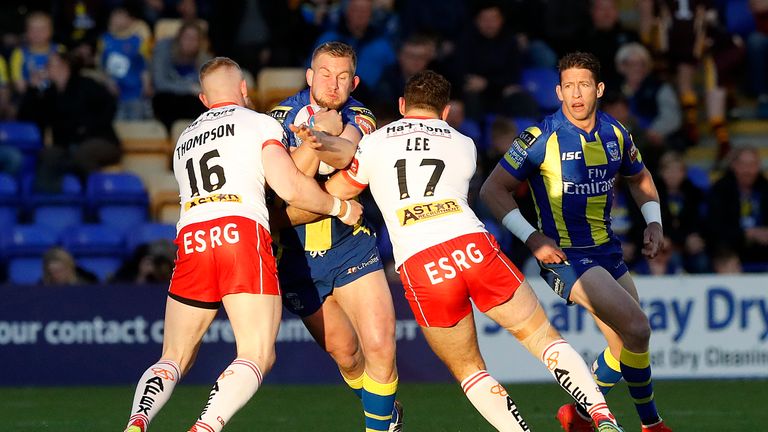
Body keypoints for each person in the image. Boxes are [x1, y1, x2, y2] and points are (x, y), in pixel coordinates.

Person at [292, 69, 626, 432]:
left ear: (403, 105)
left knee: (470, 370)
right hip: (472, 245)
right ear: (446, 111)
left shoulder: (375, 143)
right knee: (544, 339)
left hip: (423, 263)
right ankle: (602, 416)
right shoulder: (463, 143)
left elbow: (340, 190)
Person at [121, 56, 363, 432]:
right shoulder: (259, 123)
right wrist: (339, 206)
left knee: (173, 356)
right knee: (255, 353)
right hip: (241, 233)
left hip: (193, 238)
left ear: (204, 99)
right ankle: (206, 426)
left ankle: (138, 419)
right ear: (245, 90)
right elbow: (289, 187)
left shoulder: (183, 140)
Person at [480, 52, 673, 432]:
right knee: (638, 328)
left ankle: (579, 416)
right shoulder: (541, 137)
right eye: (568, 86)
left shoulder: (616, 133)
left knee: (624, 347)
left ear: (598, 89)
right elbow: (492, 189)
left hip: (608, 252)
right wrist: (533, 237)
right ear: (558, 91)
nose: (576, 93)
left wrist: (653, 222)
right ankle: (651, 425)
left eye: (584, 84)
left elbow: (640, 176)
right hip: (567, 258)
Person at [267, 41, 401, 432]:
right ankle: (386, 412)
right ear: (310, 76)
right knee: (347, 356)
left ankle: (380, 427)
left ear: (353, 82)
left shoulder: (361, 114)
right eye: (325, 74)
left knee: (380, 343)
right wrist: (317, 149)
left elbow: (348, 154)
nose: (333, 83)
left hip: (350, 245)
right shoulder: (277, 117)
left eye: (343, 77)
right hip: (297, 260)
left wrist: (317, 140)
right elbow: (278, 193)